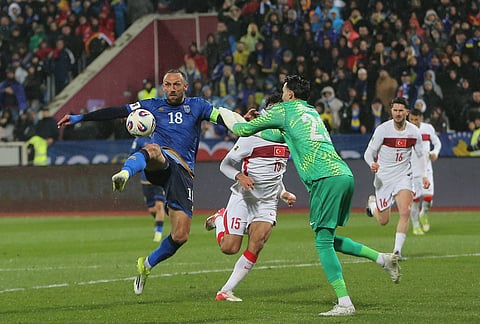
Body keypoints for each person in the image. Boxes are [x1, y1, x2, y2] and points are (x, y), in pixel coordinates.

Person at [219, 75, 401, 317]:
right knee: (327, 237)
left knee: (322, 242)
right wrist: (260, 124)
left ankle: (345, 303)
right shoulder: (310, 112)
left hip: (323, 178)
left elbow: (240, 129)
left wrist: (217, 114)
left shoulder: (284, 109)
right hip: (343, 174)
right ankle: (382, 259)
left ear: (290, 94)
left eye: (284, 91)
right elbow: (274, 136)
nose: (282, 95)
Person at [57, 69, 227, 295]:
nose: (172, 89)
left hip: (183, 173)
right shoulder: (152, 105)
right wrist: (80, 117)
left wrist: (244, 123)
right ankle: (125, 173)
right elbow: (118, 111)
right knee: (153, 149)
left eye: (176, 84)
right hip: (163, 161)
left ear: (185, 86)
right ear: (162, 87)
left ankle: (146, 264)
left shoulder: (198, 106)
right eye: (167, 85)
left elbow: (222, 117)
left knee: (180, 235)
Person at [204, 93, 297, 302]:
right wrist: (240, 176)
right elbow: (225, 165)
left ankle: (225, 291)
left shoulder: (288, 138)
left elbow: (275, 174)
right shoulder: (252, 136)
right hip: (244, 198)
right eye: (271, 109)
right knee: (229, 248)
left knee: (258, 241)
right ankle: (220, 219)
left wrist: (283, 193)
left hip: (267, 202)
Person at [364, 97, 430, 259]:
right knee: (383, 220)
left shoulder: (414, 132)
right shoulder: (382, 130)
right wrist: (372, 163)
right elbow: (368, 153)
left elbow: (421, 156)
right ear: (391, 111)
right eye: (395, 110)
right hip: (384, 177)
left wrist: (423, 176)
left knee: (405, 211)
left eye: (401, 110)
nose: (398, 114)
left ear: (407, 112)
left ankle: (397, 251)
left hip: (403, 176)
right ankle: (373, 205)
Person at [407, 109, 442, 235]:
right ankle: (416, 225)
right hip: (411, 171)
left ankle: (423, 213)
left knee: (428, 199)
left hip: (426, 170)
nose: (414, 122)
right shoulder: (405, 131)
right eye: (411, 119)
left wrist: (435, 153)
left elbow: (437, 143)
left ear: (421, 118)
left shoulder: (428, 128)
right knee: (415, 201)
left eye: (416, 120)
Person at [130, 136, 166, 242]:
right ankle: (159, 220)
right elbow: (132, 155)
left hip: (159, 177)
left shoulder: (160, 136)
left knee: (159, 205)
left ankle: (158, 233)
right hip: (145, 179)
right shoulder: (139, 140)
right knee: (152, 209)